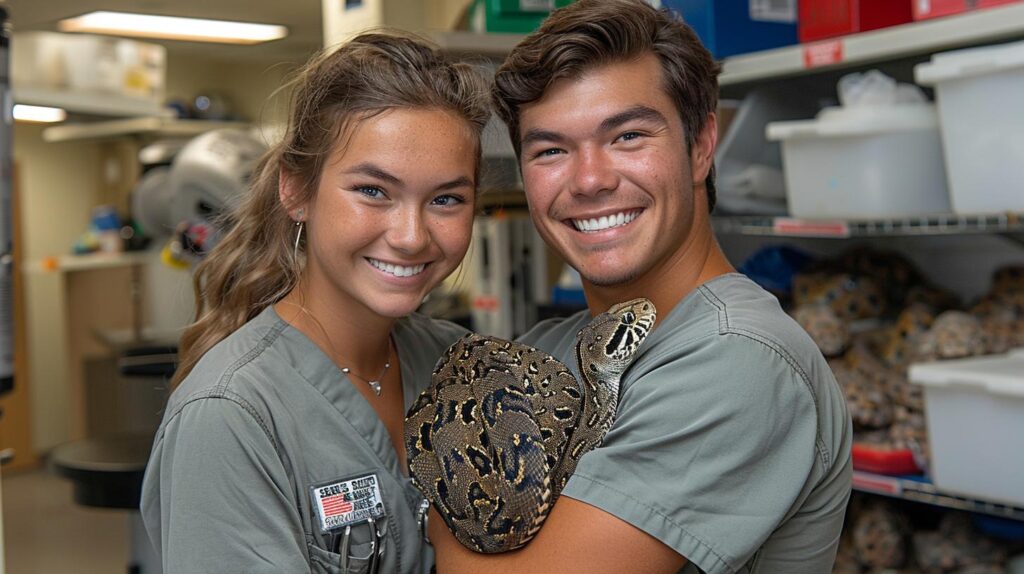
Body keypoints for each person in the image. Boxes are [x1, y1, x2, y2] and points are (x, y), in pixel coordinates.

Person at [428, 1, 853, 573]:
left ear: (701, 146)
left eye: (627, 136)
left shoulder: (738, 361)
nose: (590, 180)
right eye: (551, 150)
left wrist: (436, 511)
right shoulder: (555, 345)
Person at [140, 32, 490, 573]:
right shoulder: (230, 416)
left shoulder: (466, 367)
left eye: (446, 199)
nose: (412, 236)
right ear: (297, 191)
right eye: (373, 191)